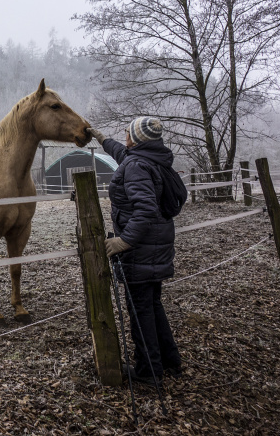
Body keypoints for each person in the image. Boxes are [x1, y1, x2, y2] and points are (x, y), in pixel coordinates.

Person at [86, 117, 183, 387]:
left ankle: (148, 371)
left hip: (140, 250)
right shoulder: (151, 157)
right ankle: (169, 361)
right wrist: (102, 138)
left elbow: (145, 209)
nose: (124, 137)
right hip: (155, 247)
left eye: (127, 133)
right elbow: (122, 152)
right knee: (152, 304)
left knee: (140, 309)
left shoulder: (136, 166)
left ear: (137, 139)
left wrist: (123, 242)